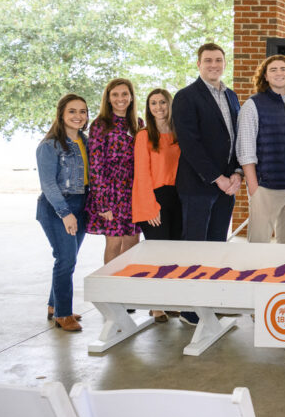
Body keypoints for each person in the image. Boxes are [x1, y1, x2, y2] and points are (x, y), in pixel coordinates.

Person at [172, 43, 242, 245]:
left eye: (218, 60)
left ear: (225, 63)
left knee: (218, 244)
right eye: (208, 60)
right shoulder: (186, 96)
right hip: (197, 186)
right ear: (198, 64)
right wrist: (217, 178)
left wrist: (236, 173)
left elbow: (236, 137)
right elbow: (189, 144)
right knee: (195, 247)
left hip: (227, 187)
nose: (214, 65)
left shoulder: (232, 96)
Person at [237, 55, 285, 244]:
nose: (279, 73)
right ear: (265, 77)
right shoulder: (253, 104)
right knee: (258, 242)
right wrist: (254, 188)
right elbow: (245, 149)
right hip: (264, 187)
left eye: (283, 69)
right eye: (273, 70)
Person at [36, 94, 90, 332]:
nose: (78, 116)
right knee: (65, 259)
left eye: (83, 111)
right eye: (72, 111)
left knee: (69, 259)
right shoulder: (49, 146)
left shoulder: (86, 141)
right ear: (61, 114)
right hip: (57, 207)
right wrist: (65, 213)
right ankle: (63, 314)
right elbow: (48, 184)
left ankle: (54, 305)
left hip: (82, 205)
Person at [132, 89, 182, 323]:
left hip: (178, 198)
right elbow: (141, 173)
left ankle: (170, 301)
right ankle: (156, 305)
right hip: (154, 199)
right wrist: (151, 207)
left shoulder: (178, 133)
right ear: (148, 107)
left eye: (162, 102)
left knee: (173, 255)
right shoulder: (144, 135)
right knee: (157, 255)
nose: (158, 107)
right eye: (153, 103)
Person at [86, 78, 143, 265]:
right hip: (110, 192)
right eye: (115, 94)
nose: (120, 98)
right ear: (108, 99)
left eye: (125, 94)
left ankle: (128, 288)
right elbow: (95, 166)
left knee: (133, 242)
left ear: (131, 97)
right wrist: (102, 203)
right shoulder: (100, 125)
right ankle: (109, 288)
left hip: (132, 191)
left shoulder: (138, 123)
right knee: (114, 242)